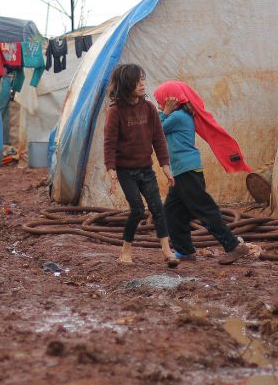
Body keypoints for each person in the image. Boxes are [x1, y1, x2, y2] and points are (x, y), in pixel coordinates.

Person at [153, 81, 261, 267]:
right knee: (172, 211)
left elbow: (157, 131)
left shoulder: (178, 116)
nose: (158, 104)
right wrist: (164, 113)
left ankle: (233, 246)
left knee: (205, 210)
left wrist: (165, 112)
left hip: (187, 172)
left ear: (171, 99)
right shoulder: (178, 115)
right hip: (181, 172)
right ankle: (185, 250)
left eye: (160, 100)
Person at [103, 64, 174, 265]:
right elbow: (109, 143)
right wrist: (111, 170)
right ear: (127, 84)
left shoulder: (149, 108)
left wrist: (166, 167)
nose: (143, 84)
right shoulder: (115, 112)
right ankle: (125, 252)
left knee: (158, 208)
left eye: (143, 79)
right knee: (137, 209)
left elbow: (159, 139)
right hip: (126, 172)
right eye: (138, 80)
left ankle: (167, 252)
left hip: (146, 169)